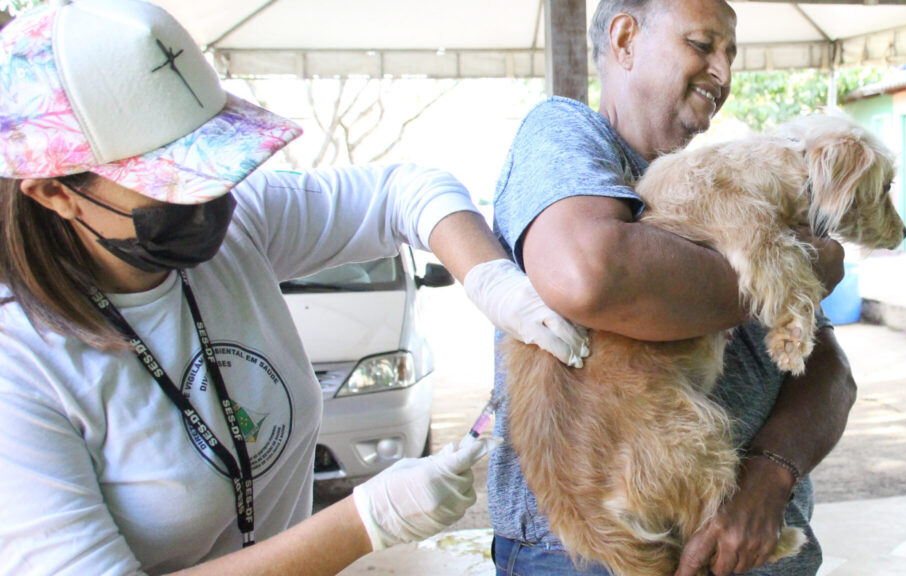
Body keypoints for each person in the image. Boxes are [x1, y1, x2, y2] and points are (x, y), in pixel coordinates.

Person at [0, 1, 588, 575]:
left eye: (213, 163)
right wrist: (364, 522)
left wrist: (491, 279)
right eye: (174, 180)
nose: (210, 197)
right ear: (55, 192)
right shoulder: (20, 364)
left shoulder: (242, 228)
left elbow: (407, 191)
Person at [487, 0, 857, 575]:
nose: (724, 73)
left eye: (731, 54)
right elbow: (589, 273)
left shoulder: (727, 180)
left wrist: (771, 474)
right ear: (625, 40)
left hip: (755, 540)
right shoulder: (566, 134)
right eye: (702, 45)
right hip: (594, 553)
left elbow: (830, 372)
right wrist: (791, 277)